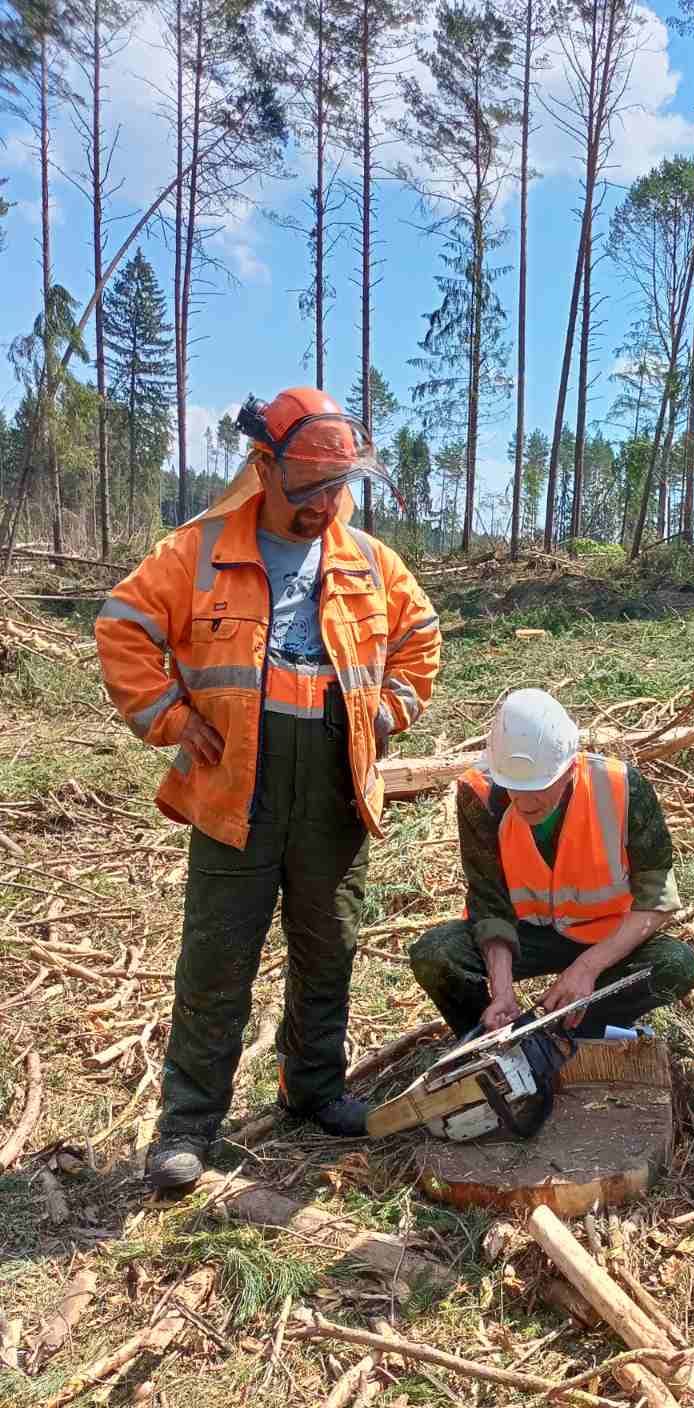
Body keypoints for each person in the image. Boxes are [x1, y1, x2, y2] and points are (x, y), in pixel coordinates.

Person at [95, 386, 441, 1187]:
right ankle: (186, 1126)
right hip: (233, 782)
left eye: (337, 487)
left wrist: (387, 714)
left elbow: (421, 638)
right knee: (218, 957)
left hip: (334, 781)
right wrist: (174, 721)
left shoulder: (368, 561)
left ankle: (313, 1091)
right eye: (311, 486)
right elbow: (122, 627)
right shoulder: (199, 550)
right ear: (264, 466)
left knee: (330, 947)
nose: (326, 503)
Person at [410, 689, 694, 1038]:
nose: (524, 801)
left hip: (604, 935)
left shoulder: (622, 788)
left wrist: (588, 968)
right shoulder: (481, 795)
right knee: (436, 954)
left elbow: (656, 901)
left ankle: (578, 1032)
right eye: (512, 787)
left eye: (539, 786)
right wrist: (501, 990)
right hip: (525, 933)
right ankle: (492, 1041)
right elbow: (489, 903)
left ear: (569, 767)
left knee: (675, 964)